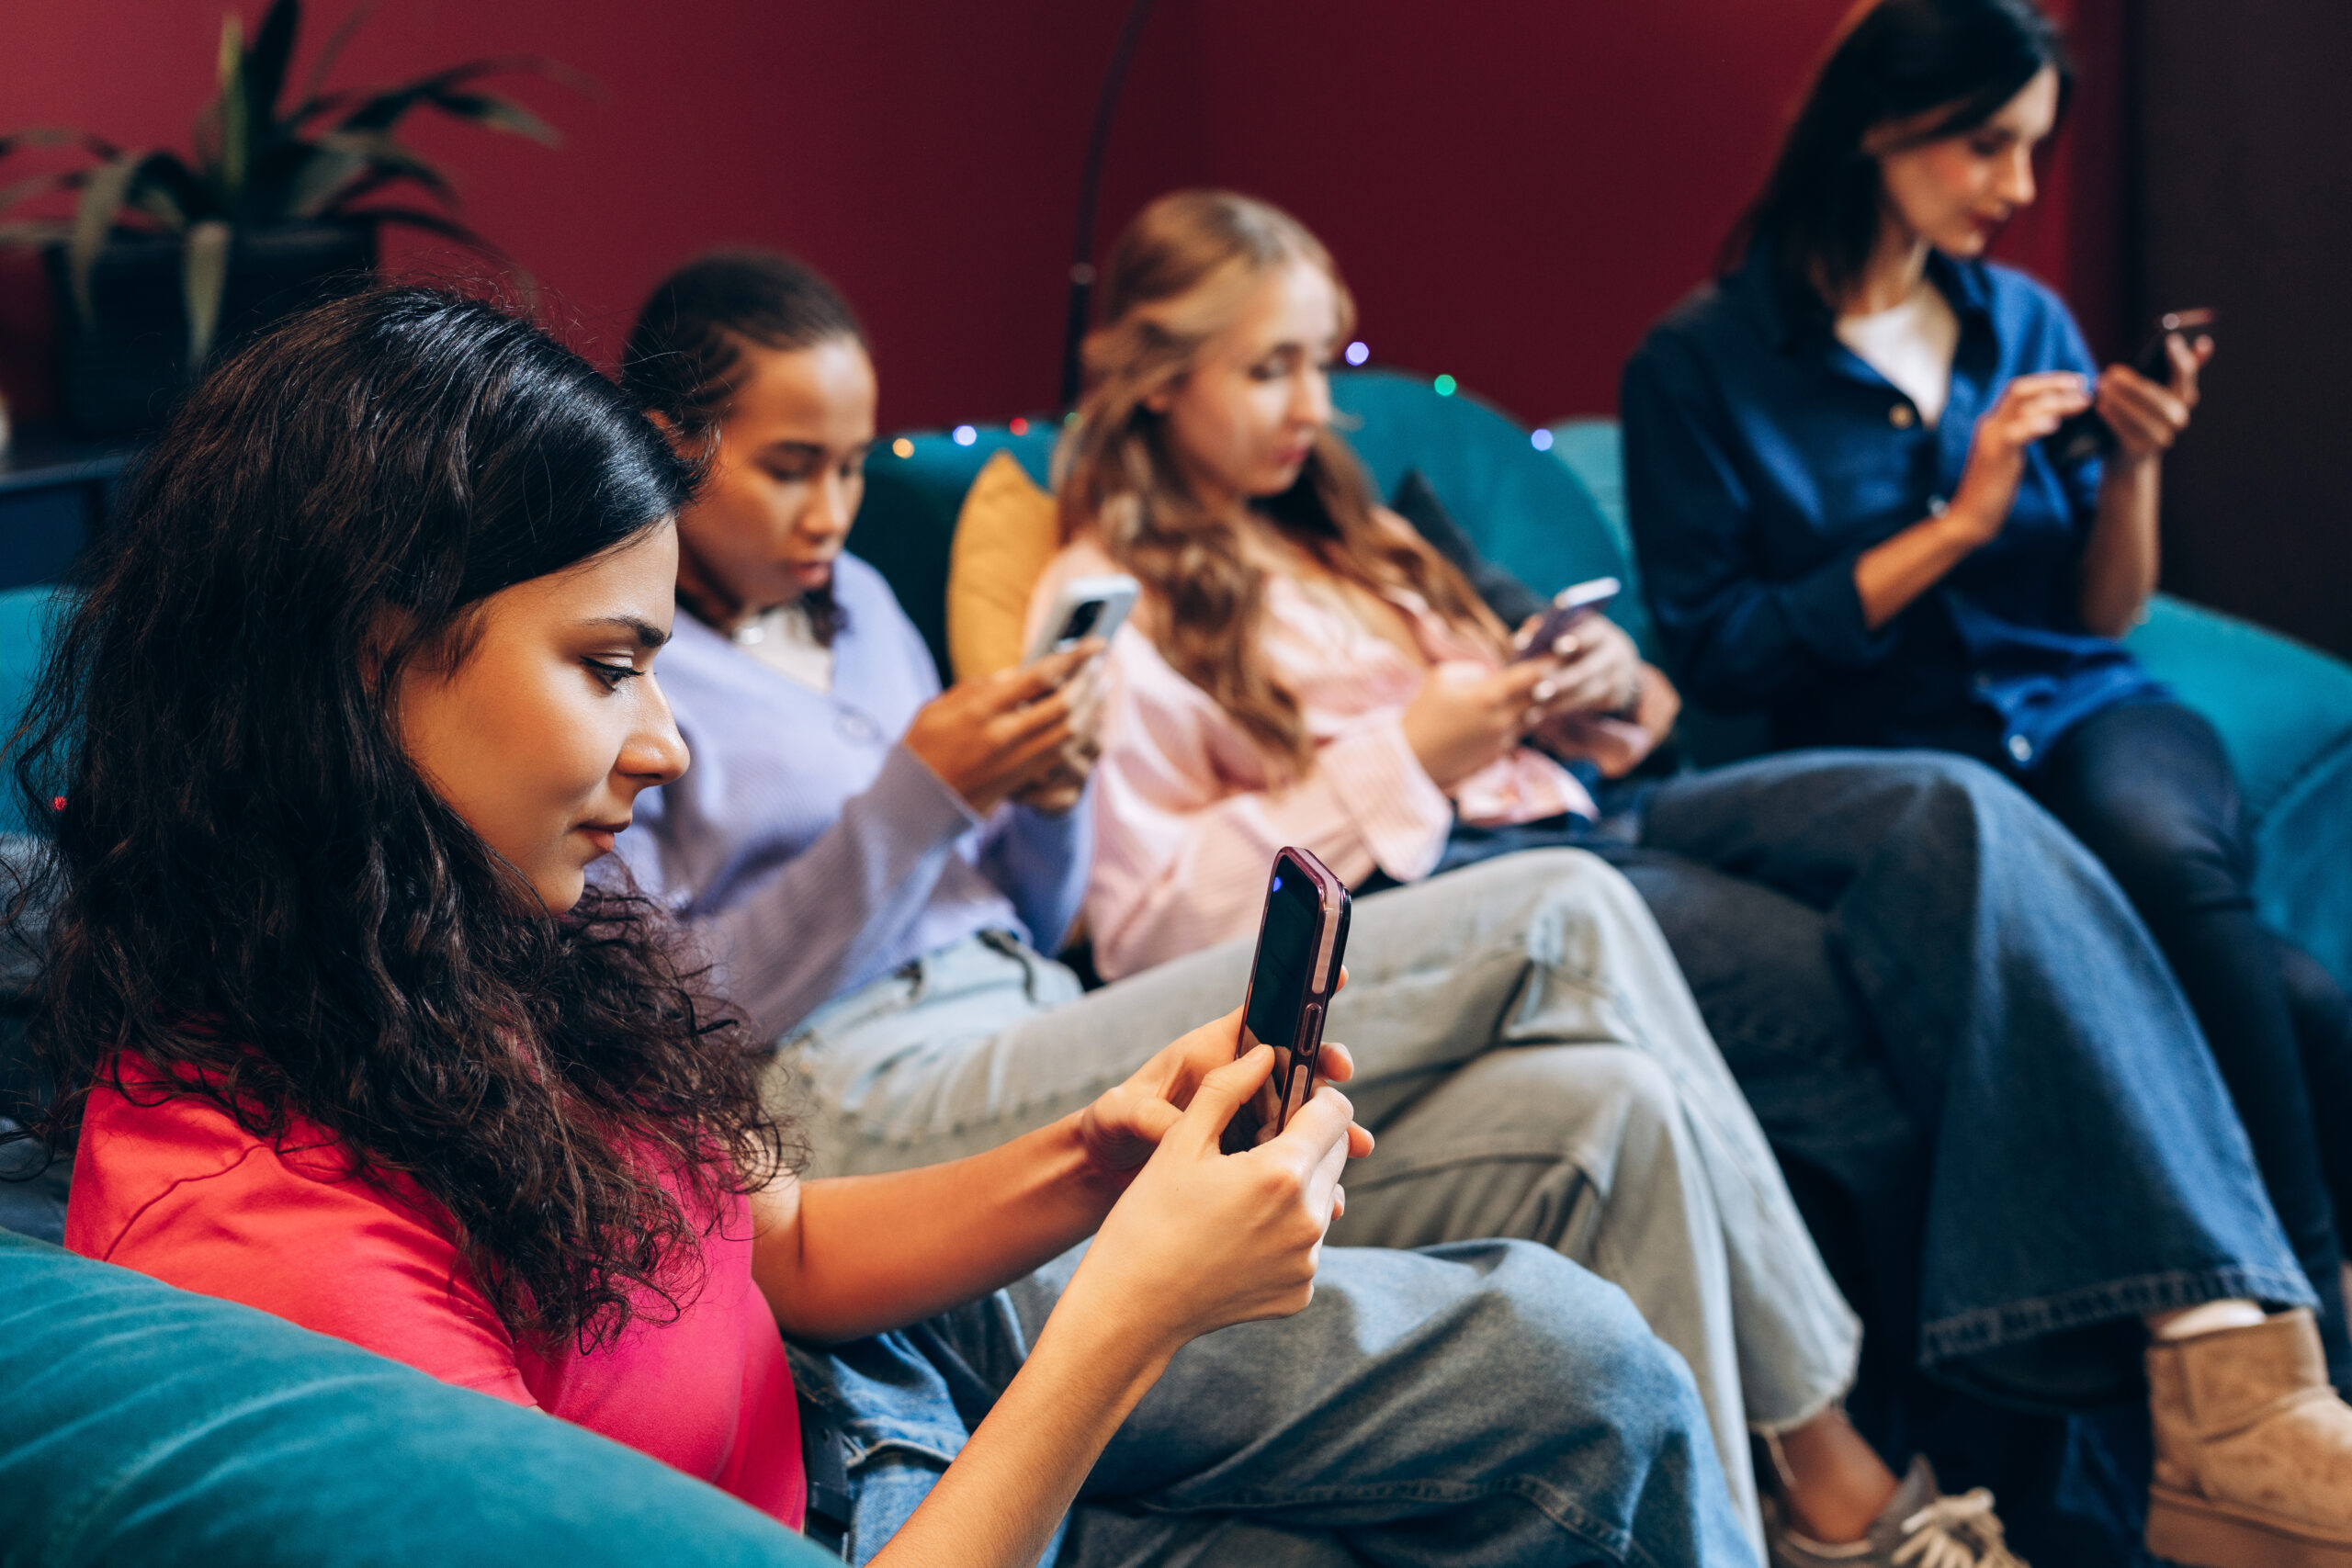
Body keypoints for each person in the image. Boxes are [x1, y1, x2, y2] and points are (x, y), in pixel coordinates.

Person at [40, 288, 1753, 1567]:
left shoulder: (463, 941)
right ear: (370, 653)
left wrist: (1091, 1165)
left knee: (1574, 1343)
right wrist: (1128, 1313)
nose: (667, 739)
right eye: (607, 668)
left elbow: (775, 1249)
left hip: (871, 1391)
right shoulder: (261, 1236)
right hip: (886, 1505)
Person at [1044, 186, 2352, 1568]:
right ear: (1152, 375)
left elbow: (1632, 713)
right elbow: (1144, 920)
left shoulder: (1354, 534)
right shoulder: (1109, 596)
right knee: (1887, 1000)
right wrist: (1405, 758)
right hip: (1494, 893)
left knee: (1948, 813)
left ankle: (2236, 1369)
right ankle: (2145, 1451)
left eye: (1327, 362)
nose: (1312, 403)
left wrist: (1606, 688)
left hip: (1616, 807)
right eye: (1270, 368)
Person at [616, 251, 1900, 1558]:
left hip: (1034, 1010)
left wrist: (1049, 795)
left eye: (850, 464)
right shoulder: (633, 673)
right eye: (790, 466)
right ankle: (1838, 1476)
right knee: (1562, 908)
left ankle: (1754, 1535)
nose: (832, 508)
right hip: (862, 1086)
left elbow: (1023, 903)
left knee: (1609, 1107)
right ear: (669, 444)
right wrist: (921, 798)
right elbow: (693, 1016)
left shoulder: (870, 608)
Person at [1621, 0, 2352, 1482]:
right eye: (1987, 144)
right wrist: (1954, 525)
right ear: (1882, 126)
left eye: (2033, 149)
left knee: (2185, 873)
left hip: (2086, 707)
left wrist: (2133, 468)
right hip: (1902, 753)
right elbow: (1721, 652)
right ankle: (2283, 1368)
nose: (2017, 189)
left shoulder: (2027, 322)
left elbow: (2107, 606)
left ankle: (2294, 1346)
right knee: (2285, 996)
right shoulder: (1700, 365)